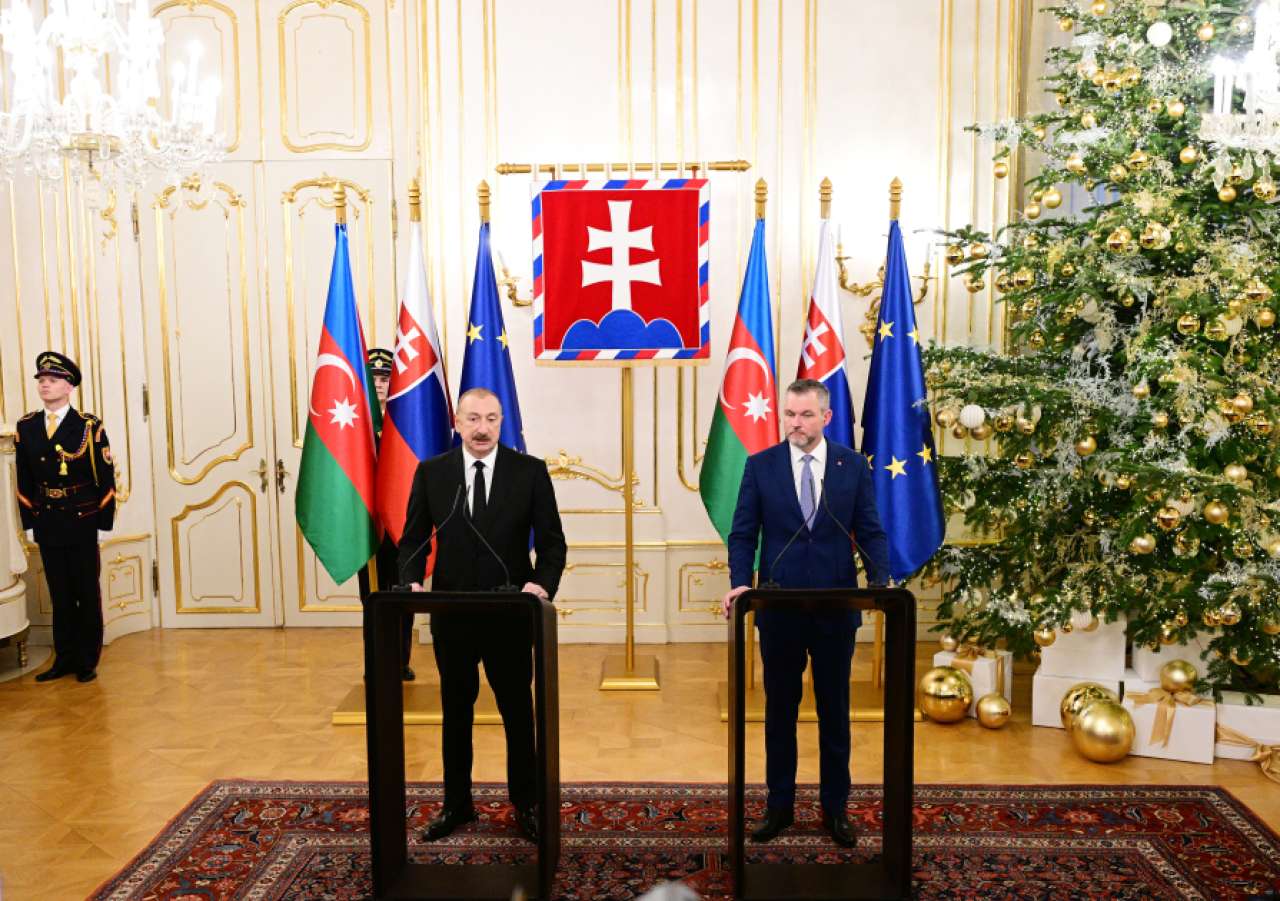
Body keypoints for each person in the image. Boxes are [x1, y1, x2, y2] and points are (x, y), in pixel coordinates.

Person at [721, 378, 890, 848]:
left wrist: (880, 581)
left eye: (806, 415)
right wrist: (741, 582)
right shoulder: (761, 466)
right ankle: (779, 807)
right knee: (780, 713)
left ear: (826, 417)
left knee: (835, 713)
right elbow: (743, 533)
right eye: (790, 414)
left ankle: (835, 809)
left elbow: (870, 530)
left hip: (836, 609)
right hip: (780, 610)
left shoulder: (852, 466)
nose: (796, 423)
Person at [399, 387, 566, 844]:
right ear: (457, 423)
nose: (482, 428)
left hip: (509, 615)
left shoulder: (529, 472)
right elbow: (412, 539)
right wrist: (410, 580)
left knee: (517, 711)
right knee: (456, 711)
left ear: (501, 423)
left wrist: (541, 585)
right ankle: (457, 804)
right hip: (452, 614)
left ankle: (526, 804)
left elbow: (553, 543)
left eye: (491, 419)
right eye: (473, 419)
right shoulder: (433, 473)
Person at [14, 352, 116, 684]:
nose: (45, 385)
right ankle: (65, 657)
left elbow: (105, 477)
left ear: (69, 387)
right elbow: (24, 478)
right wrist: (29, 522)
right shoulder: (26, 426)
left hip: (82, 518)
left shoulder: (88, 426)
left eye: (53, 380)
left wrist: (104, 523)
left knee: (85, 591)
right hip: (47, 519)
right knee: (59, 593)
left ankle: (87, 659)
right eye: (41, 380)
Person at [366, 346, 414, 681]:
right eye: (374, 379)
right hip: (367, 523)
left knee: (403, 592)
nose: (380, 384)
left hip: (401, 521)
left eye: (385, 378)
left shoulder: (405, 422)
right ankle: (375, 661)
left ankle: (400, 660)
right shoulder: (355, 425)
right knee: (371, 596)